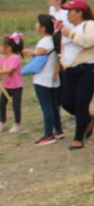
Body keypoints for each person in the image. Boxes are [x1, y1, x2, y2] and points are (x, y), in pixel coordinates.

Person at [59, 0, 94, 150]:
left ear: (79, 12)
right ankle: (88, 119)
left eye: (71, 11)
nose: (68, 14)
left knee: (81, 103)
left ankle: (78, 138)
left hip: (87, 70)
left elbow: (90, 41)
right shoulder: (71, 27)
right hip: (70, 71)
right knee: (66, 102)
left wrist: (70, 34)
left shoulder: (89, 25)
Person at [24, 15, 63, 144]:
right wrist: (32, 52)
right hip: (52, 79)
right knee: (53, 106)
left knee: (46, 107)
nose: (35, 25)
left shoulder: (44, 41)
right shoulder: (53, 39)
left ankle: (48, 135)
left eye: (37, 23)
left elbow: (40, 52)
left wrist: (31, 53)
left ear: (43, 28)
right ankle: (58, 131)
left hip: (42, 79)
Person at [0, 32, 25, 133]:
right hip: (6, 86)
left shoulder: (15, 58)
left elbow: (9, 70)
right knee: (1, 104)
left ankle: (17, 124)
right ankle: (2, 121)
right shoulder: (2, 59)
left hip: (16, 87)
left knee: (16, 106)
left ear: (9, 48)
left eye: (2, 45)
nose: (0, 48)